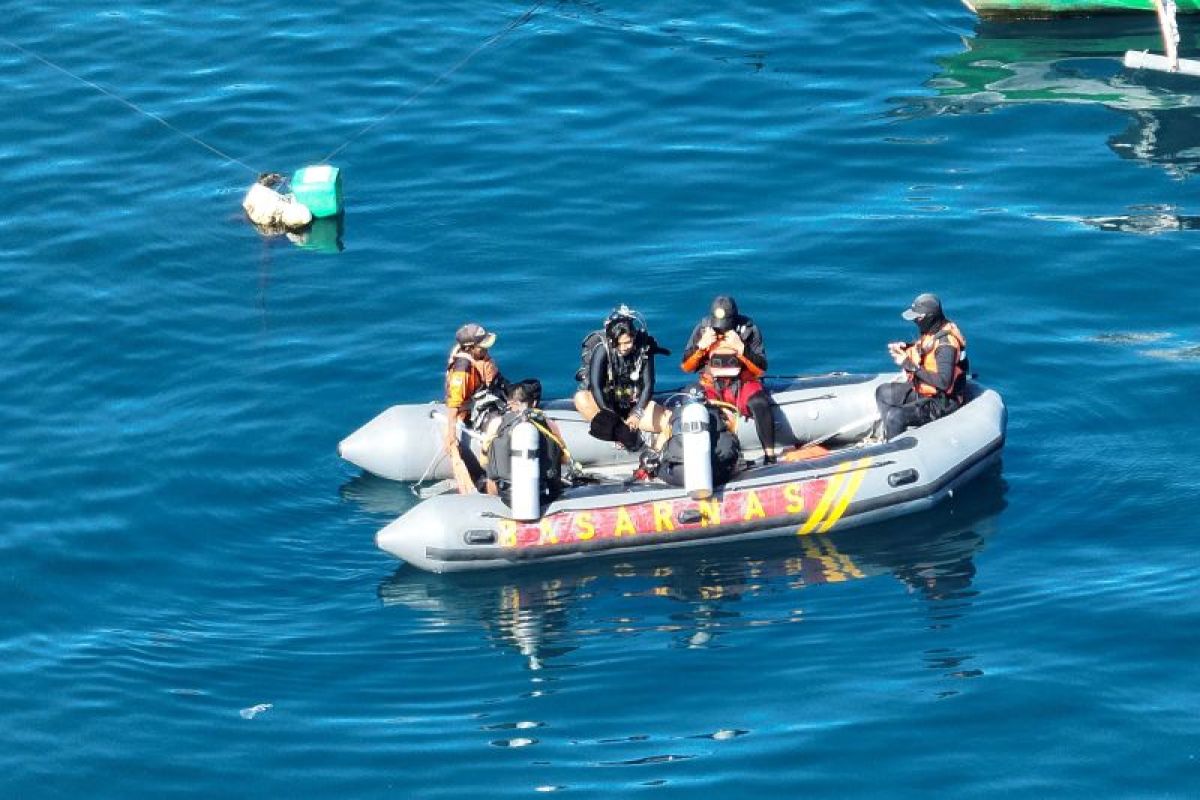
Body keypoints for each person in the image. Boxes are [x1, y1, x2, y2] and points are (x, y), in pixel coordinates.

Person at [680, 295, 778, 463]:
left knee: (760, 403)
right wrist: (700, 347)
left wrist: (741, 348)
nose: (722, 330)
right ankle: (711, 458)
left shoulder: (749, 329)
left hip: (742, 384)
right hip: (712, 386)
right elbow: (686, 366)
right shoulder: (703, 329)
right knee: (701, 410)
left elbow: (761, 369)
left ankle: (770, 455)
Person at [573, 305, 671, 451]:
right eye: (619, 344)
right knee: (580, 398)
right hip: (608, 406)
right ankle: (620, 435)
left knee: (669, 420)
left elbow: (648, 385)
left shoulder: (643, 349)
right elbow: (595, 386)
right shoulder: (602, 350)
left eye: (628, 342)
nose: (624, 347)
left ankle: (654, 457)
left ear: (634, 337)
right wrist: (611, 416)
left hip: (634, 403)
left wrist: (637, 413)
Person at [875, 293, 969, 440]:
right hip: (925, 390)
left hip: (943, 401)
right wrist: (905, 348)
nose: (915, 321)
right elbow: (926, 349)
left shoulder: (946, 346)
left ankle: (897, 452)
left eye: (917, 318)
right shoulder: (934, 331)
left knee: (895, 417)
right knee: (882, 392)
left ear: (929, 317)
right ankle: (892, 434)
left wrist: (909, 365)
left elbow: (944, 383)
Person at [444, 322, 508, 493]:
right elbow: (454, 403)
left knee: (532, 389)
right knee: (500, 425)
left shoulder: (478, 357)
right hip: (474, 410)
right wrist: (451, 434)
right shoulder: (462, 370)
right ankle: (490, 465)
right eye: (482, 347)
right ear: (470, 347)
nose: (486, 351)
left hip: (493, 394)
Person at [483, 379, 566, 507]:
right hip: (542, 494)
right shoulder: (550, 425)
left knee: (490, 474)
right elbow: (564, 459)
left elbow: (483, 461)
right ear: (533, 403)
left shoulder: (496, 424)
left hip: (507, 495)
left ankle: (494, 506)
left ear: (510, 403)